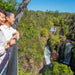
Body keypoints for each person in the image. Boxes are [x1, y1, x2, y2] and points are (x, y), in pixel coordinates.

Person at [0, 8, 16, 75]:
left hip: (3, 64)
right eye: (2, 18)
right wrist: (9, 45)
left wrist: (8, 41)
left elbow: (2, 42)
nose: (4, 20)